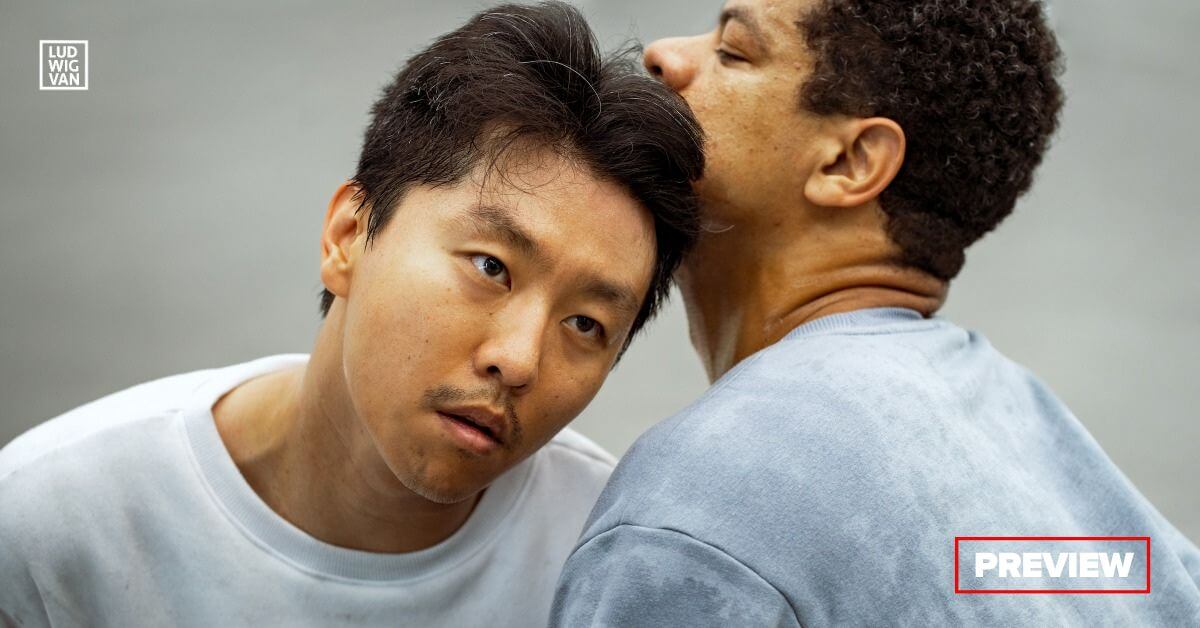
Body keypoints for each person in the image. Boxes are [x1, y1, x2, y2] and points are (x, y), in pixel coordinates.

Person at [0, 3, 704, 626]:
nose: (518, 361)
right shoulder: (58, 523)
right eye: (490, 266)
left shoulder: (612, 563)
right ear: (348, 235)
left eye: (585, 324)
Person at [551, 0, 1200, 625]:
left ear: (849, 162)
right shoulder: (1036, 437)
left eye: (734, 52)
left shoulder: (704, 504)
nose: (665, 55)